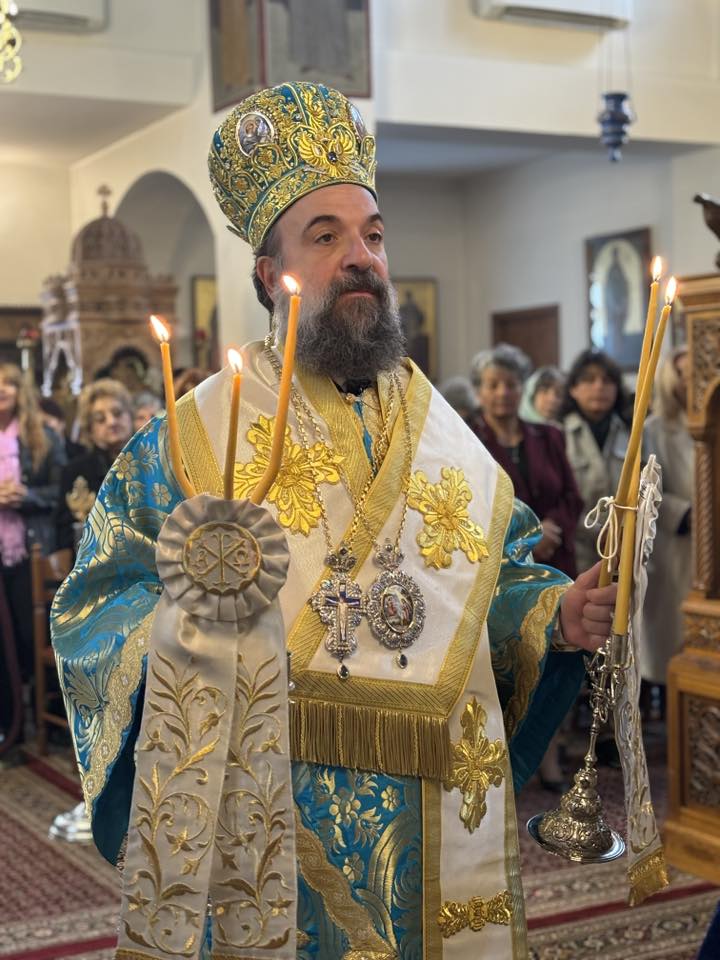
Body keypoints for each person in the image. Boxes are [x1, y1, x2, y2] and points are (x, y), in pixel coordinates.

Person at [51, 82, 616, 958]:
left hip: (433, 796)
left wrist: (555, 614)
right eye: (326, 237)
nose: (362, 258)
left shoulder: (442, 432)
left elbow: (492, 583)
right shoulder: (195, 436)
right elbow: (94, 610)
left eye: (374, 235)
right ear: (267, 275)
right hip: (268, 797)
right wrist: (186, 632)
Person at [468, 344, 584, 792]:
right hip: (501, 570)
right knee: (512, 660)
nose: (502, 393)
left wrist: (553, 529)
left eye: (511, 384)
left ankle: (549, 756)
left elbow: (571, 495)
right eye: (493, 385)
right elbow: (472, 501)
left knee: (556, 655)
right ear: (480, 391)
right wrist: (527, 536)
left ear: (523, 388)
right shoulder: (468, 437)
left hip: (555, 562)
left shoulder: (548, 436)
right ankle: (504, 760)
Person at [0, 363, 65, 742]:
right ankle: (9, 726)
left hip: (32, 550)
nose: (2, 389)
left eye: (8, 383)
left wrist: (27, 496)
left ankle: (42, 717)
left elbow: (62, 492)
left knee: (29, 636)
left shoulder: (43, 436)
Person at [640, 347, 692, 704]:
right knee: (676, 637)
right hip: (678, 542)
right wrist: (684, 512)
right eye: (683, 374)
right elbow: (648, 490)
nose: (690, 381)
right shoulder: (655, 429)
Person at [561, 348, 630, 574]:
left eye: (607, 381)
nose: (599, 387)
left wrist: (623, 531)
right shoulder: (558, 434)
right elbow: (558, 497)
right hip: (576, 549)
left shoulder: (631, 433)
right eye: (589, 380)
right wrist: (598, 532)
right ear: (573, 389)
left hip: (624, 547)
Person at [55, 379, 134, 553]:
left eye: (117, 413)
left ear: (130, 416)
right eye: (100, 419)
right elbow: (63, 537)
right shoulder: (74, 472)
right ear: (90, 429)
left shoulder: (151, 460)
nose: (111, 422)